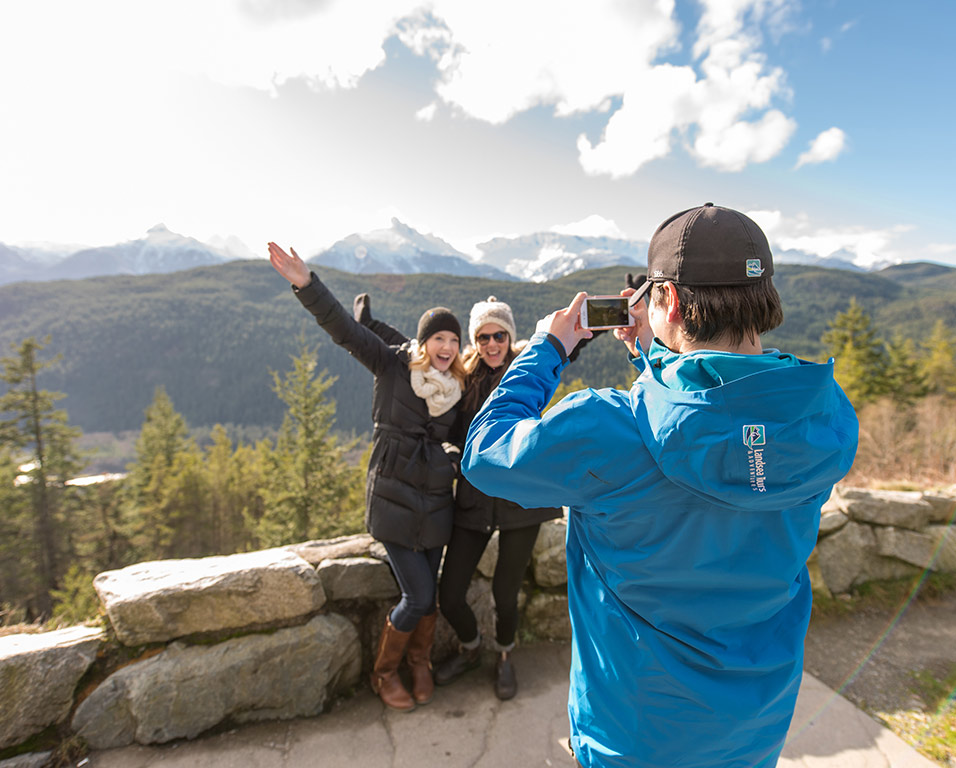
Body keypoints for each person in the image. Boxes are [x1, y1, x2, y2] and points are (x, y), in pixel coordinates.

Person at [460, 204, 859, 767]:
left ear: (667, 299)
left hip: (632, 736)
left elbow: (486, 451)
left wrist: (546, 349)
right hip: (753, 730)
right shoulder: (821, 420)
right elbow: (718, 430)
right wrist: (654, 355)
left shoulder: (608, 430)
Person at [268, 242, 465, 713]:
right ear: (423, 342)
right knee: (417, 595)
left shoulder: (458, 388)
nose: (446, 347)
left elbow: (468, 434)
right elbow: (345, 331)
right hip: (394, 503)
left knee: (430, 596)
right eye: (438, 338)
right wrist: (307, 285)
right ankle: (384, 673)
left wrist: (453, 461)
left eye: (454, 341)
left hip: (436, 505)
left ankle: (420, 663)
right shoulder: (392, 365)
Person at [354, 293, 562, 700]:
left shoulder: (527, 370)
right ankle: (470, 648)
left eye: (499, 336)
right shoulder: (463, 379)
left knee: (505, 594)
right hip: (474, 499)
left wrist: (610, 322)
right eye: (483, 337)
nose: (492, 344)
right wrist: (370, 326)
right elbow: (419, 344)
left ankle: (504, 655)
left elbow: (566, 346)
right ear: (474, 341)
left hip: (521, 501)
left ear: (510, 337)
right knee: (449, 596)